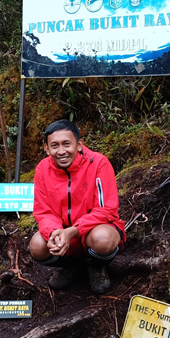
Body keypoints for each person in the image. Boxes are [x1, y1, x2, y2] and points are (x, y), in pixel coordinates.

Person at [29, 119, 125, 294]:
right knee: (37, 246)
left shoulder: (98, 163)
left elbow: (107, 210)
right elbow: (43, 211)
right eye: (55, 146)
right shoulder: (42, 169)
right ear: (46, 148)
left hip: (92, 232)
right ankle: (72, 267)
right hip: (65, 234)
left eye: (67, 144)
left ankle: (96, 267)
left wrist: (73, 231)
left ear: (79, 144)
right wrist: (54, 233)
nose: (61, 151)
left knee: (103, 239)